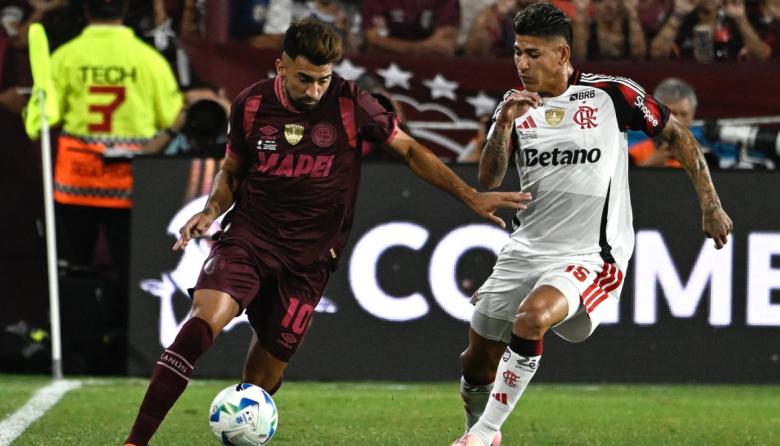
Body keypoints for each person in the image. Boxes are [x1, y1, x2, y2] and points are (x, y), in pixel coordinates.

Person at [122, 18, 530, 446]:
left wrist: (470, 195)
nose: (314, 90)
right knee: (202, 324)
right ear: (280, 66)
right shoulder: (253, 105)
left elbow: (408, 149)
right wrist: (211, 210)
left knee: (261, 384)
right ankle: (136, 441)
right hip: (250, 239)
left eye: (323, 79)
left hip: (308, 264)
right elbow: (232, 172)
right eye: (304, 79)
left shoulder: (352, 104)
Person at [449, 4, 733, 446]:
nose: (522, 64)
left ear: (563, 55)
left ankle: (484, 433)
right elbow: (488, 178)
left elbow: (676, 134)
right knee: (476, 364)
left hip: (591, 254)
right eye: (519, 52)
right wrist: (503, 124)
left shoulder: (611, 95)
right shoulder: (515, 107)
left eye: (535, 54)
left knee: (532, 318)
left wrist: (710, 204)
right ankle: (476, 429)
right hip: (526, 248)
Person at [23, 0, 182, 369]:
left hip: (75, 180)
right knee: (132, 270)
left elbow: (44, 117)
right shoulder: (148, 59)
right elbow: (170, 115)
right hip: (131, 183)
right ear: (126, 12)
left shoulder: (66, 56)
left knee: (73, 268)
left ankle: (75, 345)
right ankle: (127, 347)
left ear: (85, 12)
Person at [649, 0, 767, 61]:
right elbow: (656, 54)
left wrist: (741, 19)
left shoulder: (735, 20)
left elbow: (761, 56)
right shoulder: (680, 20)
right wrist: (678, 14)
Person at [362, 0, 461, 56]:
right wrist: (426, 46)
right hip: (383, 69)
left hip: (434, 70)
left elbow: (444, 47)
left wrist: (388, 44)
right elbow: (373, 43)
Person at [571, 0, 647, 61]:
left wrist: (632, 13)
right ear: (593, 5)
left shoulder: (630, 26)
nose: (608, 6)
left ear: (621, 3)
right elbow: (579, 59)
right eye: (601, 1)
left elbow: (640, 57)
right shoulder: (587, 30)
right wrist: (580, 13)